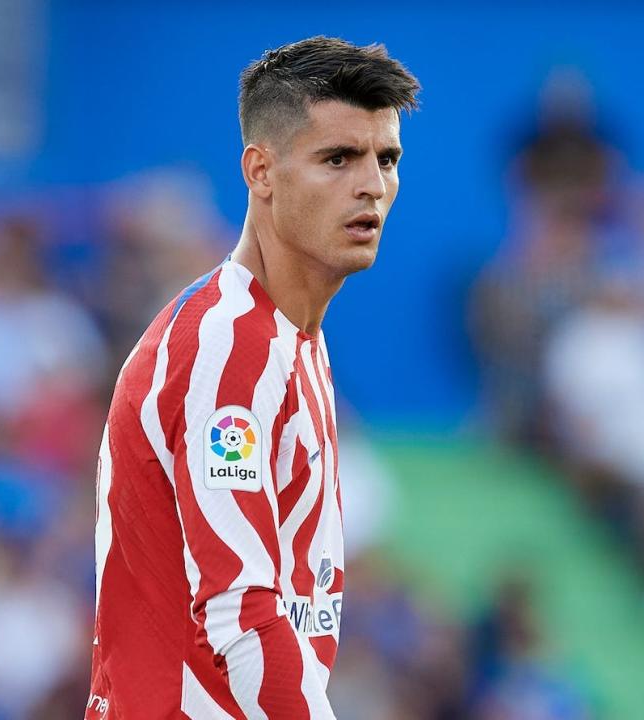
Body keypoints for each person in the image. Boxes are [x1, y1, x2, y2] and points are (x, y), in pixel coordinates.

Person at [85, 36, 420, 719]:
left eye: (386, 159)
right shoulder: (225, 348)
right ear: (260, 171)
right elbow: (242, 616)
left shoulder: (293, 341)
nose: (371, 185)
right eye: (338, 158)